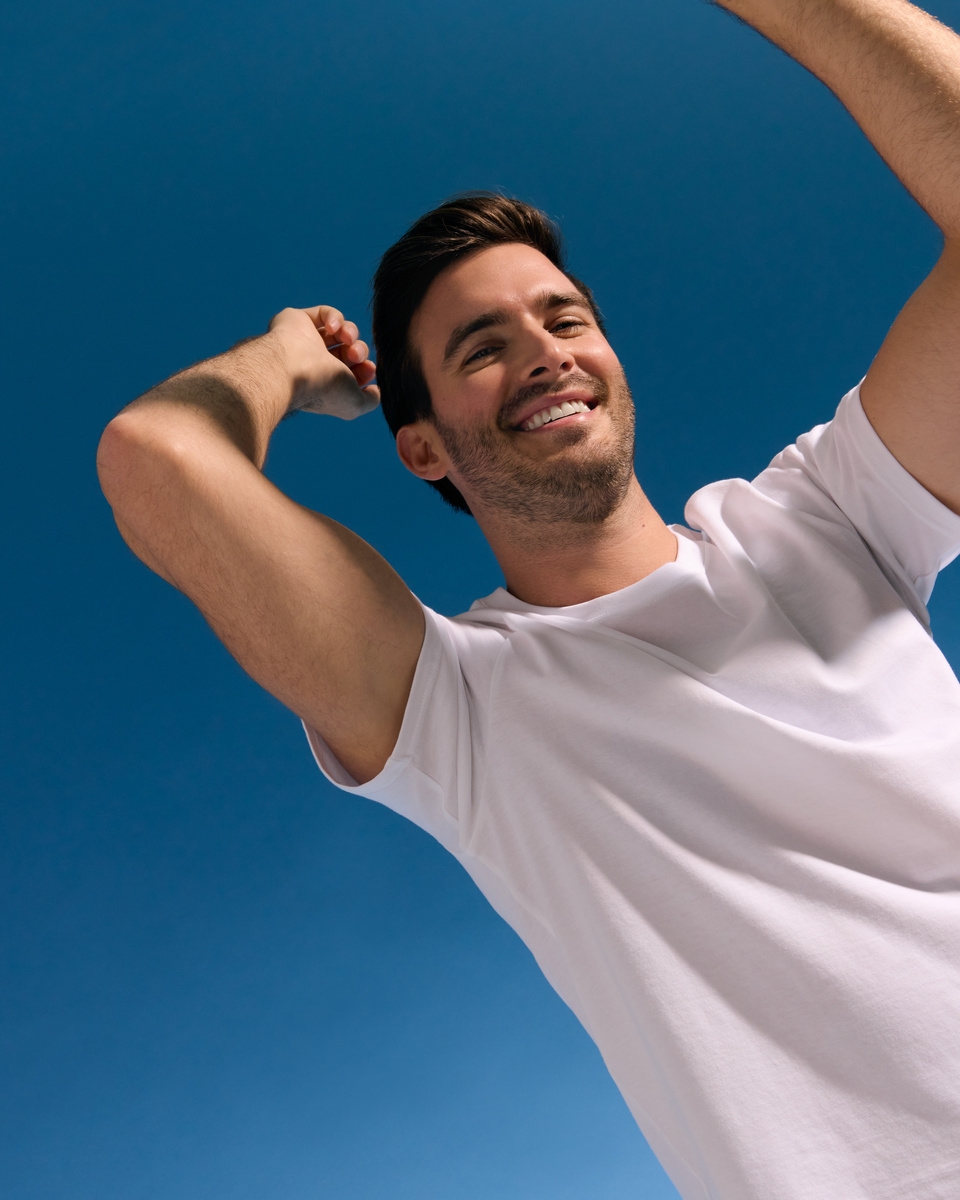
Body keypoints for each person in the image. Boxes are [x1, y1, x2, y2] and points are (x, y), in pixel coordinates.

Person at [97, 0, 960, 1195]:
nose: (546, 350)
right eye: (481, 347)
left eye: (566, 318)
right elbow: (159, 463)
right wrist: (289, 359)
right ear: (422, 447)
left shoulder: (827, 516)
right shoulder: (465, 712)